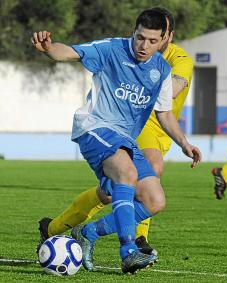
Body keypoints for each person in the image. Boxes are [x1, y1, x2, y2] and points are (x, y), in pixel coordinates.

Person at [33, 7, 201, 274]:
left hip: (124, 139)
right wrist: (50, 47)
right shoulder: (111, 49)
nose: (144, 46)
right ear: (133, 32)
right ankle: (129, 251)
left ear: (164, 40)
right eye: (140, 37)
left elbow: (165, 114)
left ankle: (88, 232)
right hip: (94, 127)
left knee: (153, 200)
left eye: (152, 41)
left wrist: (184, 143)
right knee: (126, 172)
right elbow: (71, 52)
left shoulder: (162, 71)